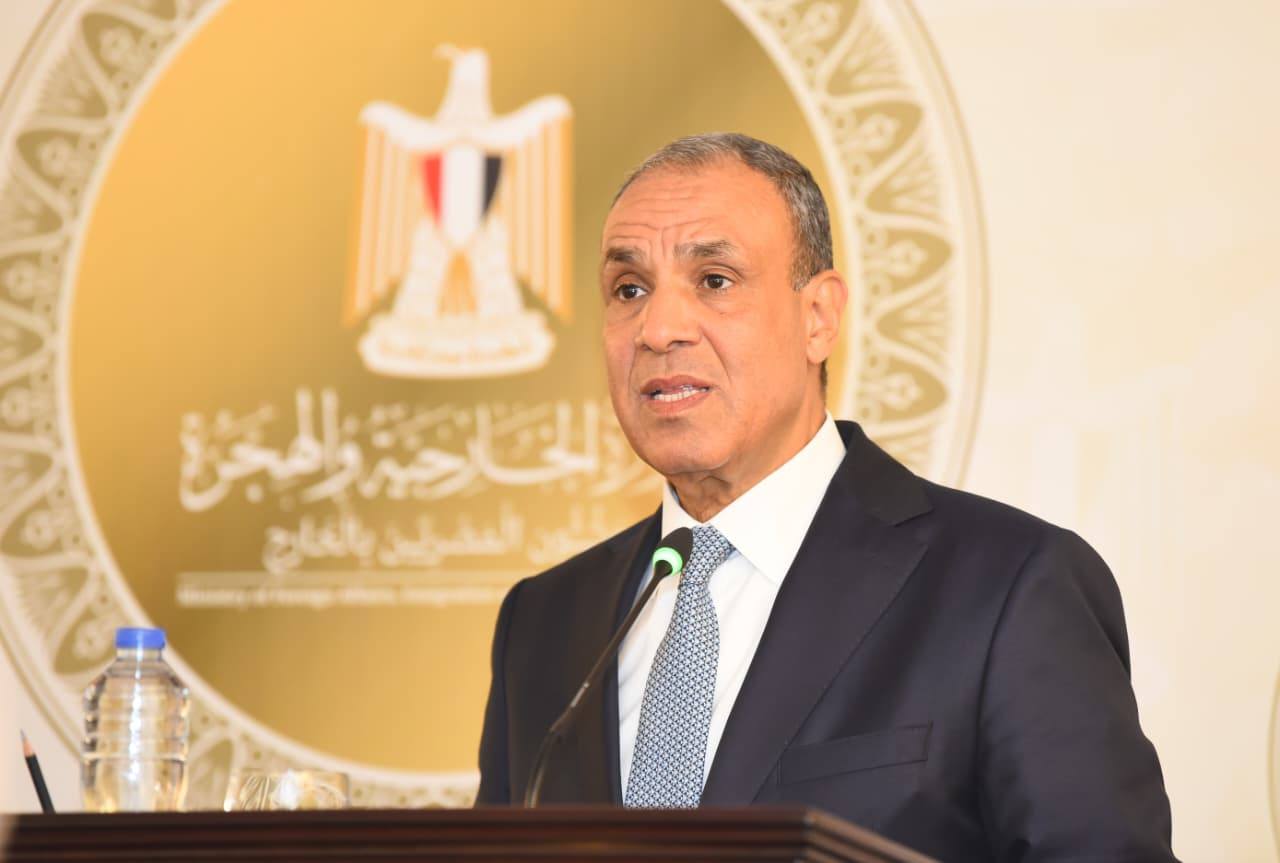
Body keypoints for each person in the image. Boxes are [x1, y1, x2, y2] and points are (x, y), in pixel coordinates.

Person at [475, 133, 1176, 862]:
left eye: (714, 279)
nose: (658, 329)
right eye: (629, 290)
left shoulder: (1009, 587)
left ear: (819, 317)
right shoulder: (543, 622)